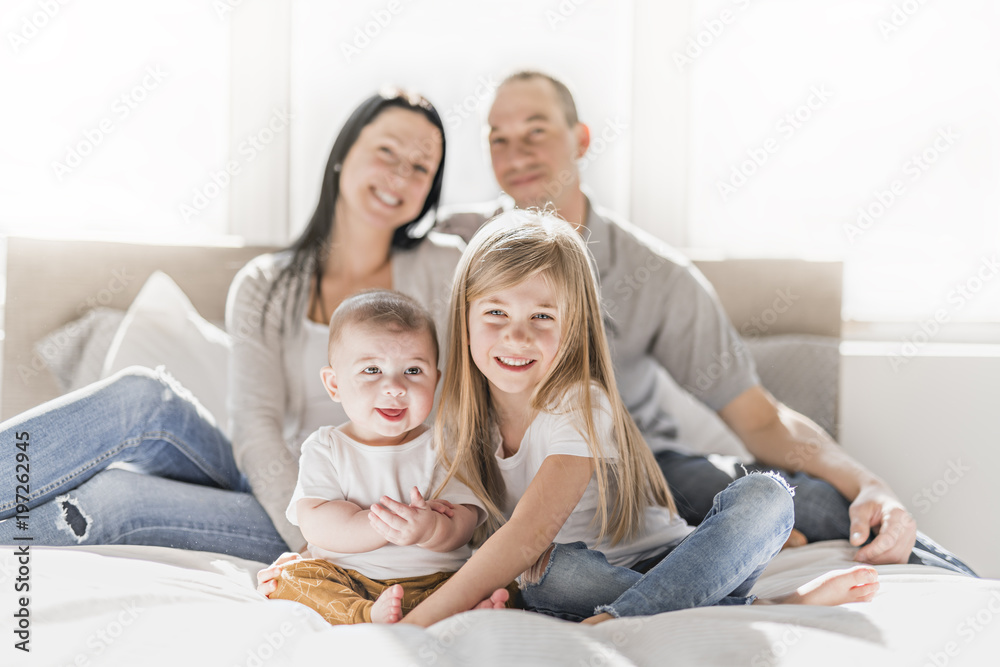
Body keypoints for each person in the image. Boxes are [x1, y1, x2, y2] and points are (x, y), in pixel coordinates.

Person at [434, 70, 974, 575]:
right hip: (502, 467)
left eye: (536, 131)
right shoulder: (452, 245)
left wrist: (870, 484)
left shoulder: (658, 277)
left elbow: (760, 420)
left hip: (642, 472)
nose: (516, 154)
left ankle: (968, 589)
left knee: (804, 500)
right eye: (497, 138)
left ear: (580, 139)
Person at [0, 88, 463, 564]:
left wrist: (336, 541)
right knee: (142, 393)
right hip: (287, 493)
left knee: (114, 500)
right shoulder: (265, 284)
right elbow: (255, 426)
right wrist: (308, 529)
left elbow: (516, 258)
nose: (400, 176)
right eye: (387, 151)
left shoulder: (450, 267)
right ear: (344, 154)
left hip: (379, 510)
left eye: (421, 167)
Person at [395, 210, 878, 627]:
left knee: (767, 496)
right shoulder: (459, 423)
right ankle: (767, 604)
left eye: (542, 317)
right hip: (587, 574)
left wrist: (419, 624)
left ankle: (621, 619)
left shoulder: (581, 402)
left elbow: (529, 533)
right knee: (546, 577)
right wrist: (423, 530)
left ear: (574, 327)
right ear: (464, 318)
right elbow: (473, 533)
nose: (517, 337)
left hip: (676, 556)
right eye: (496, 313)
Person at [268, 289, 511, 624]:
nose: (395, 387)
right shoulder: (325, 447)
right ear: (334, 384)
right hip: (351, 579)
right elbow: (317, 523)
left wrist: (430, 529)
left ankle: (465, 609)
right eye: (372, 370)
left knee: (506, 575)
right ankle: (364, 614)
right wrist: (387, 526)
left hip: (438, 583)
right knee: (285, 577)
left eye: (413, 371)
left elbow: (465, 522)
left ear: (435, 381)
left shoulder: (444, 445)